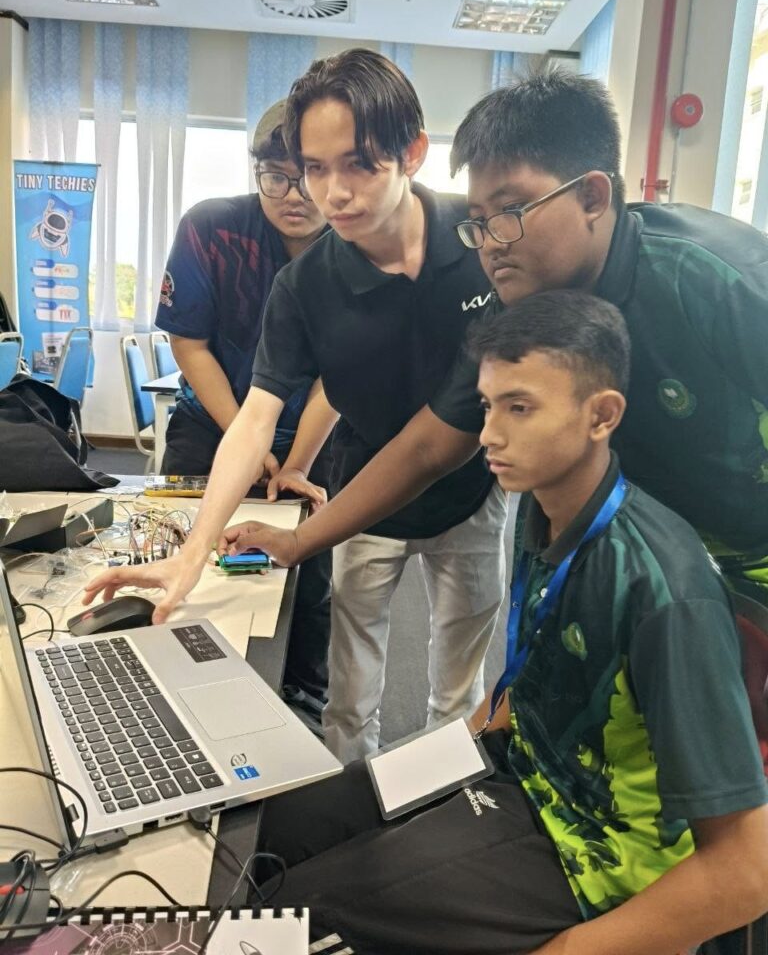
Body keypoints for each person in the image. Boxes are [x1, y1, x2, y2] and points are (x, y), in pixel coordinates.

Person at [247, 292, 768, 955]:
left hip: (590, 846)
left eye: (519, 408)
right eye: (488, 406)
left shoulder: (663, 589)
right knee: (274, 829)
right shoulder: (540, 508)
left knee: (297, 911)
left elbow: (746, 872)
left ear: (602, 415)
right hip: (515, 760)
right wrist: (441, 757)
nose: (489, 434)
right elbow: (531, 680)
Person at [84, 49, 508, 763]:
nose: (333, 194)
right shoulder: (306, 285)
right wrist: (191, 554)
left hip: (471, 495)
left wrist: (299, 534)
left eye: (359, 164)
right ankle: (352, 815)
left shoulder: (482, 240)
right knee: (350, 695)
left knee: (456, 691)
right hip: (366, 499)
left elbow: (438, 441)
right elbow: (256, 416)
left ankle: (446, 798)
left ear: (412, 153)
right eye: (314, 169)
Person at [219, 70, 768, 606]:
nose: (492, 244)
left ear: (592, 196)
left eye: (511, 211)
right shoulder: (522, 306)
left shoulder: (715, 279)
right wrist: (295, 542)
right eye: (479, 221)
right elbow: (430, 445)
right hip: (638, 564)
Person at [152, 99, 334, 726]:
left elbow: (337, 378)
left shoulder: (353, 249)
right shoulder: (212, 227)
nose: (294, 195)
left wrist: (295, 461)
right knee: (189, 549)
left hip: (313, 430)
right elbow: (189, 343)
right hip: (213, 422)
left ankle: (304, 697)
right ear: (255, 170)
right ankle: (173, 685)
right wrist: (245, 439)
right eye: (275, 177)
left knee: (304, 569)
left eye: (308, 176)